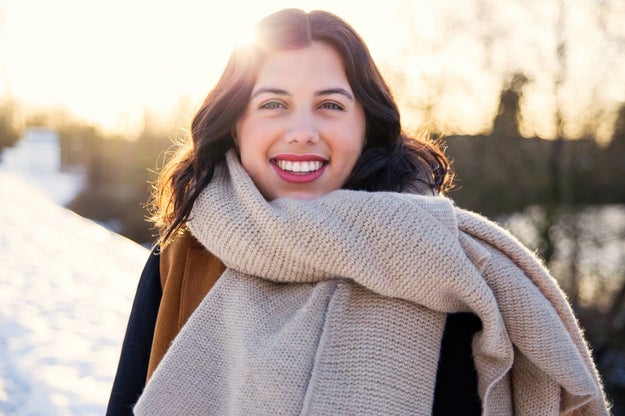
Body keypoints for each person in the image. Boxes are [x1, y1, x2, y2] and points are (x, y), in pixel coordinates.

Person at [107, 8, 609, 416]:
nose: (302, 131)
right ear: (235, 124)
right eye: (273, 104)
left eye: (330, 105)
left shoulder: (448, 273)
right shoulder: (181, 262)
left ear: (367, 127)